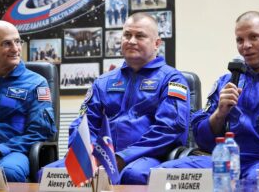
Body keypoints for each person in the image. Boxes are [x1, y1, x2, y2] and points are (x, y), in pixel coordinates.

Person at [42, 12, 190, 185]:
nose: (131, 40)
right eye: (127, 35)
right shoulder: (104, 82)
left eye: (140, 36)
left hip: (147, 157)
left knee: (132, 175)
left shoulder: (172, 80)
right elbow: (84, 123)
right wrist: (86, 153)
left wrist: (122, 157)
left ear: (157, 43)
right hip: (100, 157)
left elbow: (170, 128)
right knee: (50, 173)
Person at [148, 11, 259, 181]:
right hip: (225, 161)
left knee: (256, 181)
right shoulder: (227, 81)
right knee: (163, 175)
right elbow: (202, 139)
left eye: (254, 37)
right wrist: (219, 113)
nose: (245, 45)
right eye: (239, 40)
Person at [0, 20, 57, 182]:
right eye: (7, 43)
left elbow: (40, 132)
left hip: (12, 151)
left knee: (8, 174)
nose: (15, 49)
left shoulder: (36, 83)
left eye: (17, 41)